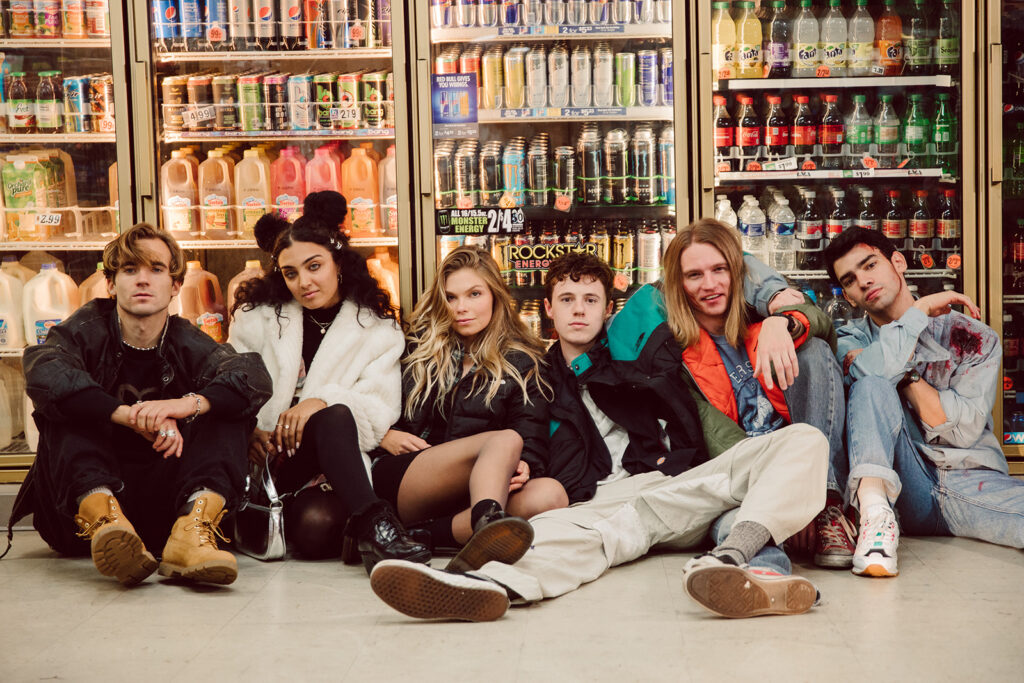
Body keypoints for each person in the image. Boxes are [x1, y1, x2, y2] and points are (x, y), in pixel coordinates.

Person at [368, 250, 828, 621]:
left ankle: (729, 558)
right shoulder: (534, 375)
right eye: (567, 299)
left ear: (609, 309)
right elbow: (524, 439)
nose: (578, 310)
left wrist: (777, 311)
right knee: (561, 539)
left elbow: (702, 266)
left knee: (805, 440)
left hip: (672, 482)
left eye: (590, 300)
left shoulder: (638, 355)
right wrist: (525, 467)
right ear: (548, 309)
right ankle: (478, 587)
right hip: (597, 504)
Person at [4, 223, 272, 586]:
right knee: (67, 405)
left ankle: (192, 534)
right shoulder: (84, 331)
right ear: (111, 284)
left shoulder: (187, 341)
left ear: (175, 285)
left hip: (167, 507)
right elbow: (44, 371)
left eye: (156, 269)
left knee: (224, 409)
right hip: (80, 516)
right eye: (130, 270)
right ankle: (108, 523)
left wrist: (184, 405)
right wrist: (128, 415)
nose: (142, 280)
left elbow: (252, 377)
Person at [229, 213, 429, 571]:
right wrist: (249, 430)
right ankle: (380, 529)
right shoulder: (257, 318)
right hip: (269, 459)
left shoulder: (376, 328)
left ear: (338, 262)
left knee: (316, 530)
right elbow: (229, 385)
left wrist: (318, 401)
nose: (303, 282)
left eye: (314, 266)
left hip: (332, 464)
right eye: (290, 273)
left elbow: (380, 405)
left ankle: (370, 522)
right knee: (333, 415)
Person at [823, 227, 1024, 577]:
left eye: (870, 265)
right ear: (850, 298)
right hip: (902, 489)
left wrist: (902, 373)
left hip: (966, 477)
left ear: (898, 262)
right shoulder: (846, 341)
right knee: (871, 386)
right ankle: (875, 519)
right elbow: (873, 381)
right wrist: (918, 312)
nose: (864, 281)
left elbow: (962, 431)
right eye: (850, 280)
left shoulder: (971, 336)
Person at [664, 218, 855, 569]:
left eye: (719, 269)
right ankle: (763, 574)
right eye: (694, 275)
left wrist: (781, 321)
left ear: (737, 273)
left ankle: (826, 503)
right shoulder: (677, 357)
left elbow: (822, 326)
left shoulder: (761, 313)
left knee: (813, 349)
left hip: (810, 463)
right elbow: (720, 439)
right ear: (680, 285)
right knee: (734, 522)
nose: (710, 284)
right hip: (750, 477)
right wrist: (781, 496)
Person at [372, 246, 566, 573]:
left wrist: (526, 465)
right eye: (451, 297)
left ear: (495, 296)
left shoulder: (523, 361)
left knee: (551, 495)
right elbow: (370, 401)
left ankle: (429, 536)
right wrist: (383, 434)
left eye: (474, 294)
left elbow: (531, 433)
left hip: (475, 491)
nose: (461, 308)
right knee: (504, 440)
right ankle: (484, 528)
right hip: (407, 477)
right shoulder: (418, 347)